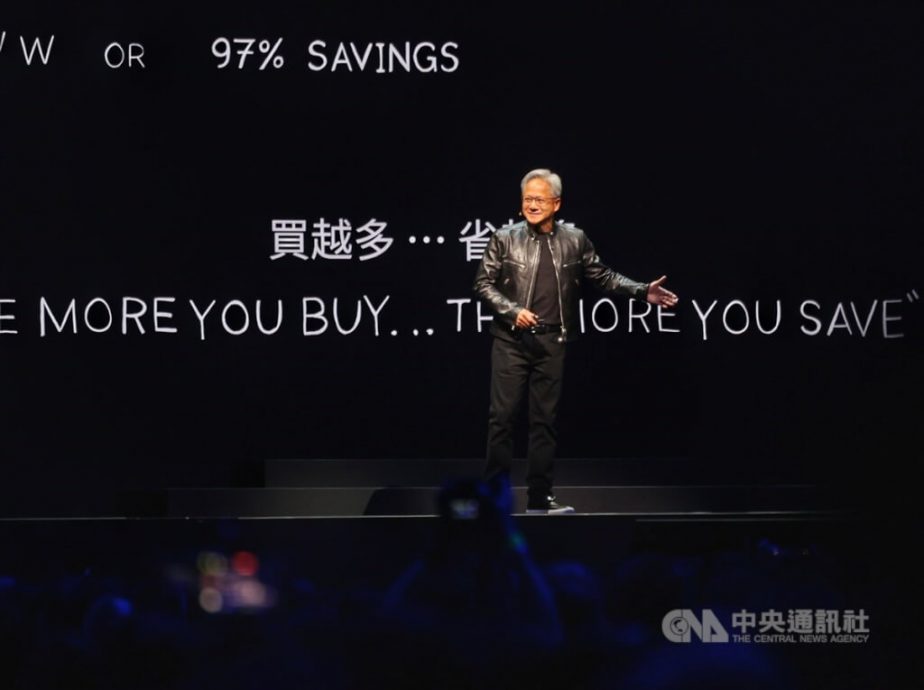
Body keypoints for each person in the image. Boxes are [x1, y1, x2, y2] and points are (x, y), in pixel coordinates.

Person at [473, 168, 679, 514]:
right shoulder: (504, 238)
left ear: (556, 203)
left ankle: (539, 499)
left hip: (553, 341)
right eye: (527, 199)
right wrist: (512, 311)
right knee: (502, 421)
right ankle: (493, 500)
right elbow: (482, 284)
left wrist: (643, 291)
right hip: (511, 341)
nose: (532, 205)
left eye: (539, 200)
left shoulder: (575, 239)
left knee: (545, 423)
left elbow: (604, 276)